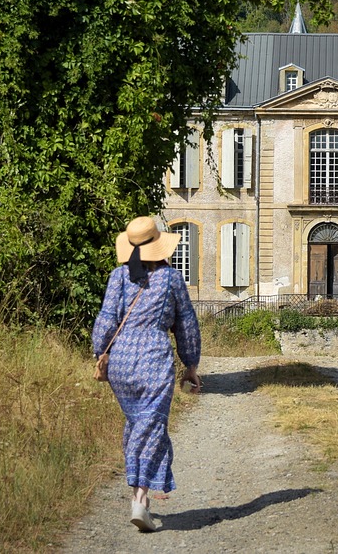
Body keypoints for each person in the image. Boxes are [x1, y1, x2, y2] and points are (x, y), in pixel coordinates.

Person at [92, 215, 202, 532]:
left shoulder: (117, 277)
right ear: (158, 246)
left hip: (122, 367)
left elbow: (104, 322)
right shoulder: (170, 279)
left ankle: (142, 499)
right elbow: (186, 326)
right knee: (151, 427)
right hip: (154, 360)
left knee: (139, 425)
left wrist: (101, 353)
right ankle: (140, 500)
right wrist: (190, 364)